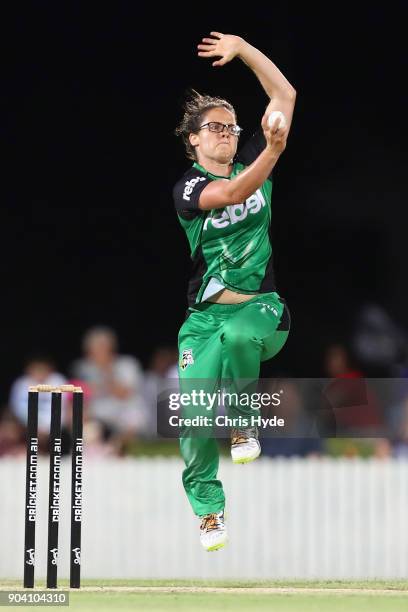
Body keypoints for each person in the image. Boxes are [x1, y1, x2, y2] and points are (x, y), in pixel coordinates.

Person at [173, 32, 296, 551]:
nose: (226, 134)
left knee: (242, 340)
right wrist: (271, 151)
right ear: (194, 141)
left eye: (231, 126)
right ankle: (209, 511)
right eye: (214, 128)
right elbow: (233, 193)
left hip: (263, 313)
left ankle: (245, 425)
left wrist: (243, 48)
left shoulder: (253, 155)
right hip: (204, 321)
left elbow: (285, 96)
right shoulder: (188, 189)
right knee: (196, 417)